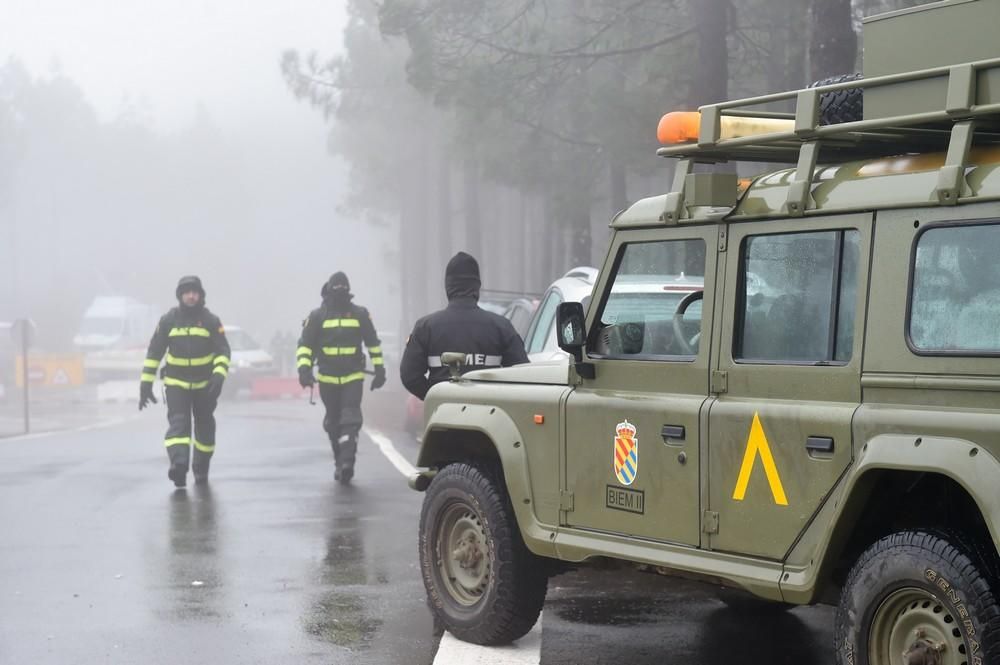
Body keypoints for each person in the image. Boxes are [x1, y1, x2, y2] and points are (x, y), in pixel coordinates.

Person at [139, 275, 231, 488]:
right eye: (187, 292)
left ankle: (201, 468)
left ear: (200, 295)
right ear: (180, 295)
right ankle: (178, 467)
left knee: (205, 427)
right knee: (178, 425)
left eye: (194, 292)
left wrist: (218, 375)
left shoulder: (211, 321)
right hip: (176, 383)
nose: (191, 296)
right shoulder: (168, 320)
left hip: (205, 385)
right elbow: (155, 352)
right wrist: (145, 383)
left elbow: (223, 351)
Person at [400, 251, 528, 400]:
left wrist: (434, 397)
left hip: (442, 413)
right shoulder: (502, 327)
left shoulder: (425, 327)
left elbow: (409, 376)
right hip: (489, 415)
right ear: (477, 286)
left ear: (447, 286)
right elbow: (522, 373)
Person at [296, 272, 385, 483]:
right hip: (327, 379)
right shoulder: (317, 317)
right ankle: (339, 460)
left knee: (350, 418)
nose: (340, 293)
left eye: (343, 289)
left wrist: (380, 370)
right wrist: (304, 371)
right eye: (337, 289)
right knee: (334, 422)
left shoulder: (360, 314)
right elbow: (305, 347)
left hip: (353, 378)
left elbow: (373, 343)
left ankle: (348, 462)